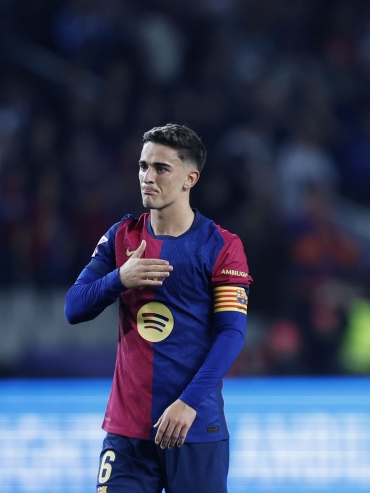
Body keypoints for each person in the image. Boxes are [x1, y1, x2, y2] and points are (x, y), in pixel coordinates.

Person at [64, 124, 253, 492]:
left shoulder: (222, 246)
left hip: (193, 428)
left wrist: (189, 402)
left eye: (161, 168)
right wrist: (120, 278)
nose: (147, 177)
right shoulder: (121, 237)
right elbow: (74, 307)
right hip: (128, 434)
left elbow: (231, 334)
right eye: (143, 166)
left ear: (190, 179)